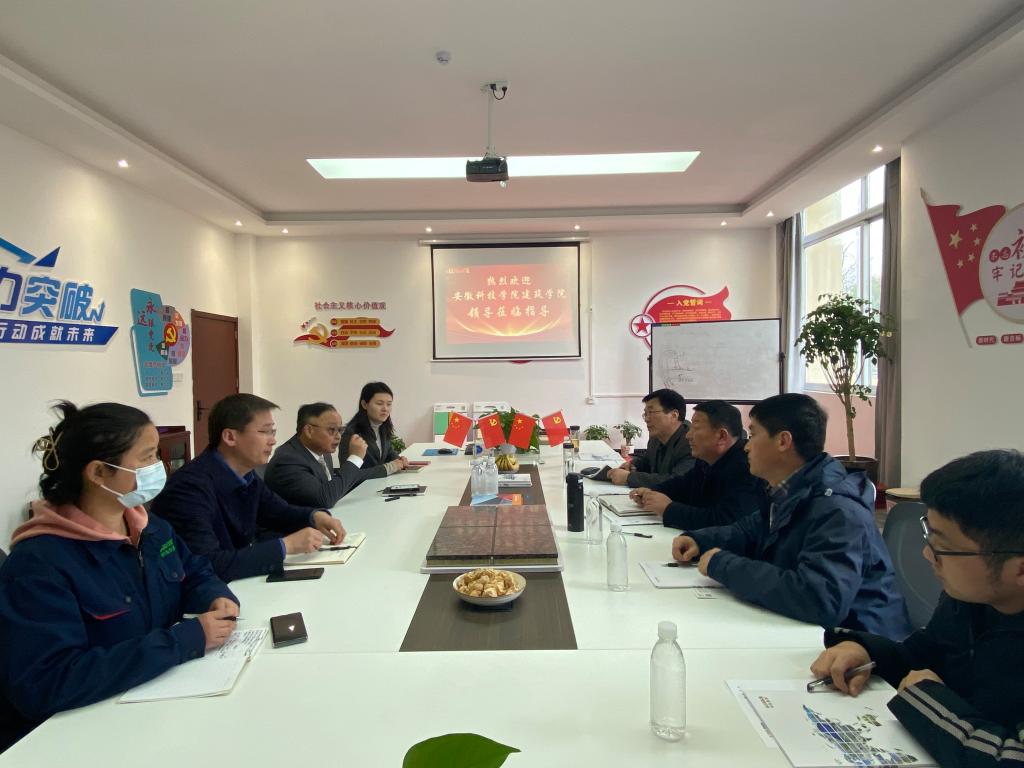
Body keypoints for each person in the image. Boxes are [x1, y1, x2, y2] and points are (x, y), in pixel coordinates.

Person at [0, 402, 239, 752]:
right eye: (146, 457)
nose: (159, 467)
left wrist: (214, 594)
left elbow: (194, 571)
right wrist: (183, 640)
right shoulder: (40, 563)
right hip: (80, 738)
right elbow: (46, 682)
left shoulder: (150, 527)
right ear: (98, 472)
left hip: (154, 707)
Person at [810, 450, 1024, 768]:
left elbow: (1008, 758)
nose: (927, 554)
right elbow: (923, 655)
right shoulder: (967, 600)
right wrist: (866, 652)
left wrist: (926, 698)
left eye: (944, 547)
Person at [671, 393, 912, 639]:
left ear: (783, 441)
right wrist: (701, 540)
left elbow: (819, 599)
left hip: (860, 643)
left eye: (753, 435)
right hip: (807, 632)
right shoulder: (787, 488)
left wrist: (723, 565)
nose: (746, 446)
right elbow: (748, 530)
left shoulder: (836, 508)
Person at [152, 394, 346, 582]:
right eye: (264, 432)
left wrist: (314, 516)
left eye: (273, 432)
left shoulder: (246, 474)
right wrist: (285, 546)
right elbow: (208, 563)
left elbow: (280, 513)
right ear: (230, 437)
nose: (273, 440)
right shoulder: (188, 488)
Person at [629, 400, 766, 530]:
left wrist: (668, 509)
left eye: (696, 428)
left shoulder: (748, 467)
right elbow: (684, 484)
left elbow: (725, 521)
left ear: (721, 436)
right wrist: (653, 491)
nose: (688, 435)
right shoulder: (706, 458)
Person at [264, 402, 368, 508]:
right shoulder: (287, 460)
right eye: (332, 430)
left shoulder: (324, 453)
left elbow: (332, 487)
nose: (338, 436)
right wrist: (355, 458)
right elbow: (324, 499)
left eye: (340, 430)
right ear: (309, 431)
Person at [607, 388, 694, 488]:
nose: (646, 419)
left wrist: (629, 478)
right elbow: (648, 462)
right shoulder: (656, 437)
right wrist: (633, 465)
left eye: (651, 412)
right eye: (645, 414)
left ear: (673, 415)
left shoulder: (692, 442)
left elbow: (677, 482)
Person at [339, 382, 409, 478]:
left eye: (389, 404)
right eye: (379, 404)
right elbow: (348, 476)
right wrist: (389, 468)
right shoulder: (352, 434)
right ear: (364, 404)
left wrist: (399, 460)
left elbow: (388, 452)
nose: (385, 409)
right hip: (361, 487)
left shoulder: (382, 427)